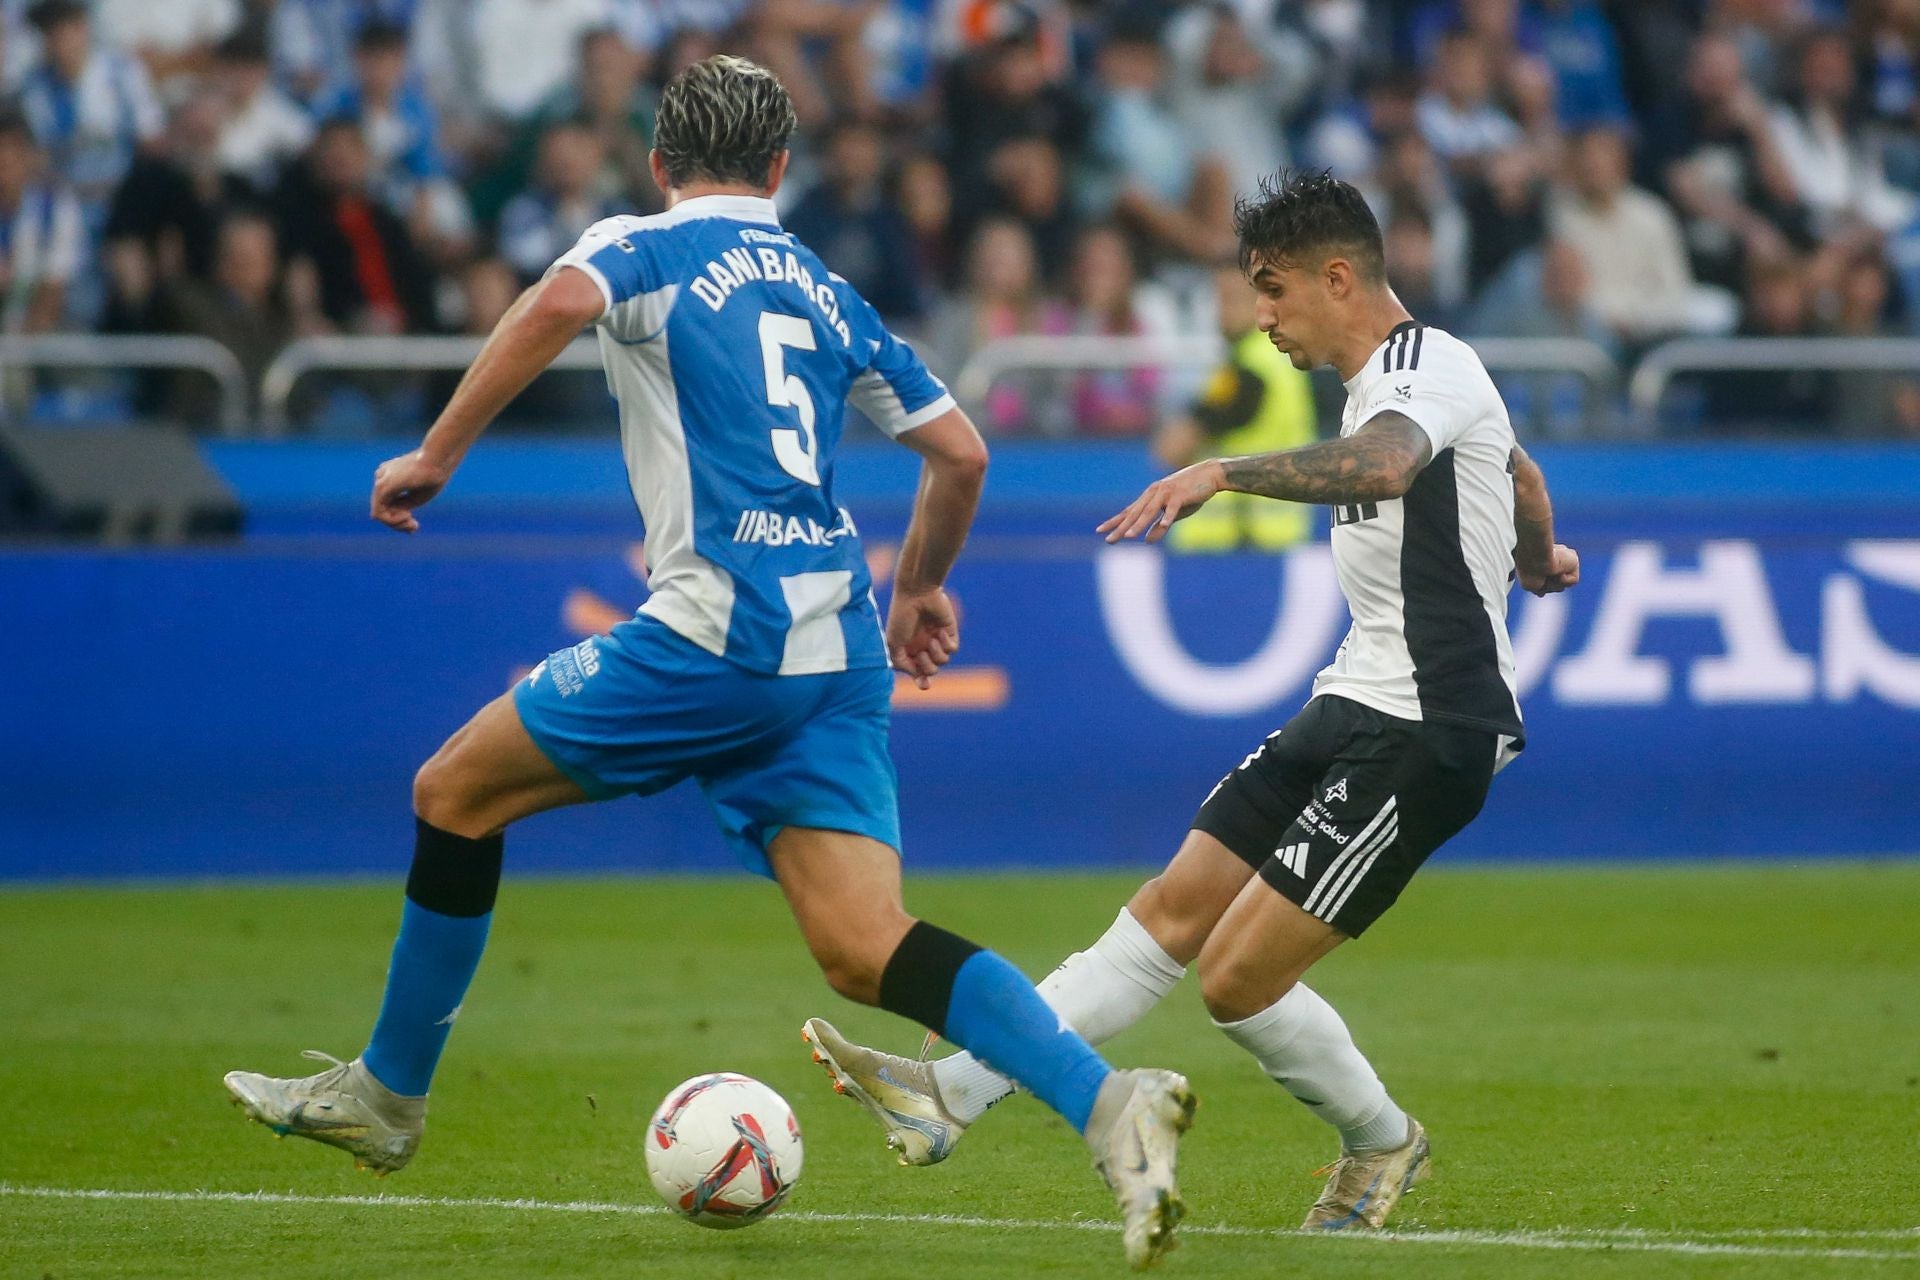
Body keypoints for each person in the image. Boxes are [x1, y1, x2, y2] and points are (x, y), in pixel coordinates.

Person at [221, 56, 1194, 1271]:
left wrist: (434, 453)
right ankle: (1110, 1107)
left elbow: (552, 307)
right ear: (782, 169)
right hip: (835, 647)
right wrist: (924, 588)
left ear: (657, 163)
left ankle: (389, 1094)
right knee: (862, 943)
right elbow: (962, 452)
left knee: (451, 793)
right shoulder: (830, 288)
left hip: (718, 631)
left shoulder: (647, 243)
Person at [802, 170, 1580, 1234]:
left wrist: (1222, 469)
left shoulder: (1424, 367)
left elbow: (1392, 467)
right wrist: (1538, 556)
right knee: (1166, 910)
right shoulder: (1391, 384)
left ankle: (1381, 1141)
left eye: (1272, 289)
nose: (1260, 316)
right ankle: (949, 1094)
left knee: (1236, 980)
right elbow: (1523, 476)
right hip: (1352, 697)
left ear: (1338, 276)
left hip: (1433, 725)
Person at [1153, 262, 1316, 552]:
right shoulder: (1279, 361)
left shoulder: (1246, 373)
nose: (1220, 312)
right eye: (1216, 299)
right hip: (1278, 535)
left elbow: (1172, 448)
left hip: (1239, 543)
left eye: (1230, 299)